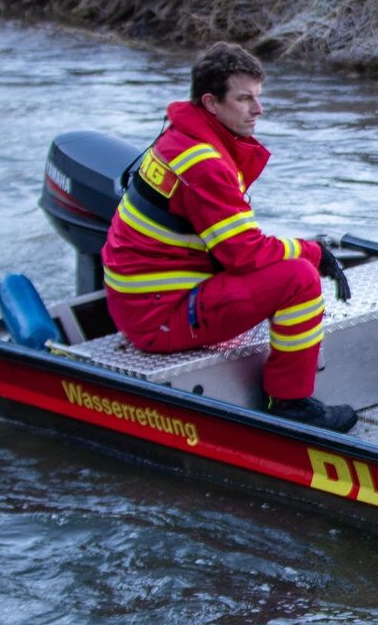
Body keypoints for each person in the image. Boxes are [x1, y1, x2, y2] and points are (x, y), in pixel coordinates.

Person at [100, 42, 357, 432]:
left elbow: (232, 243)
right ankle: (290, 404)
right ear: (211, 103)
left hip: (141, 301)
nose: (258, 109)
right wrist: (313, 253)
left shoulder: (181, 137)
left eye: (258, 97)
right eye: (244, 99)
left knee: (286, 264)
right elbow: (244, 253)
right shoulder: (204, 163)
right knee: (299, 279)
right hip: (158, 317)